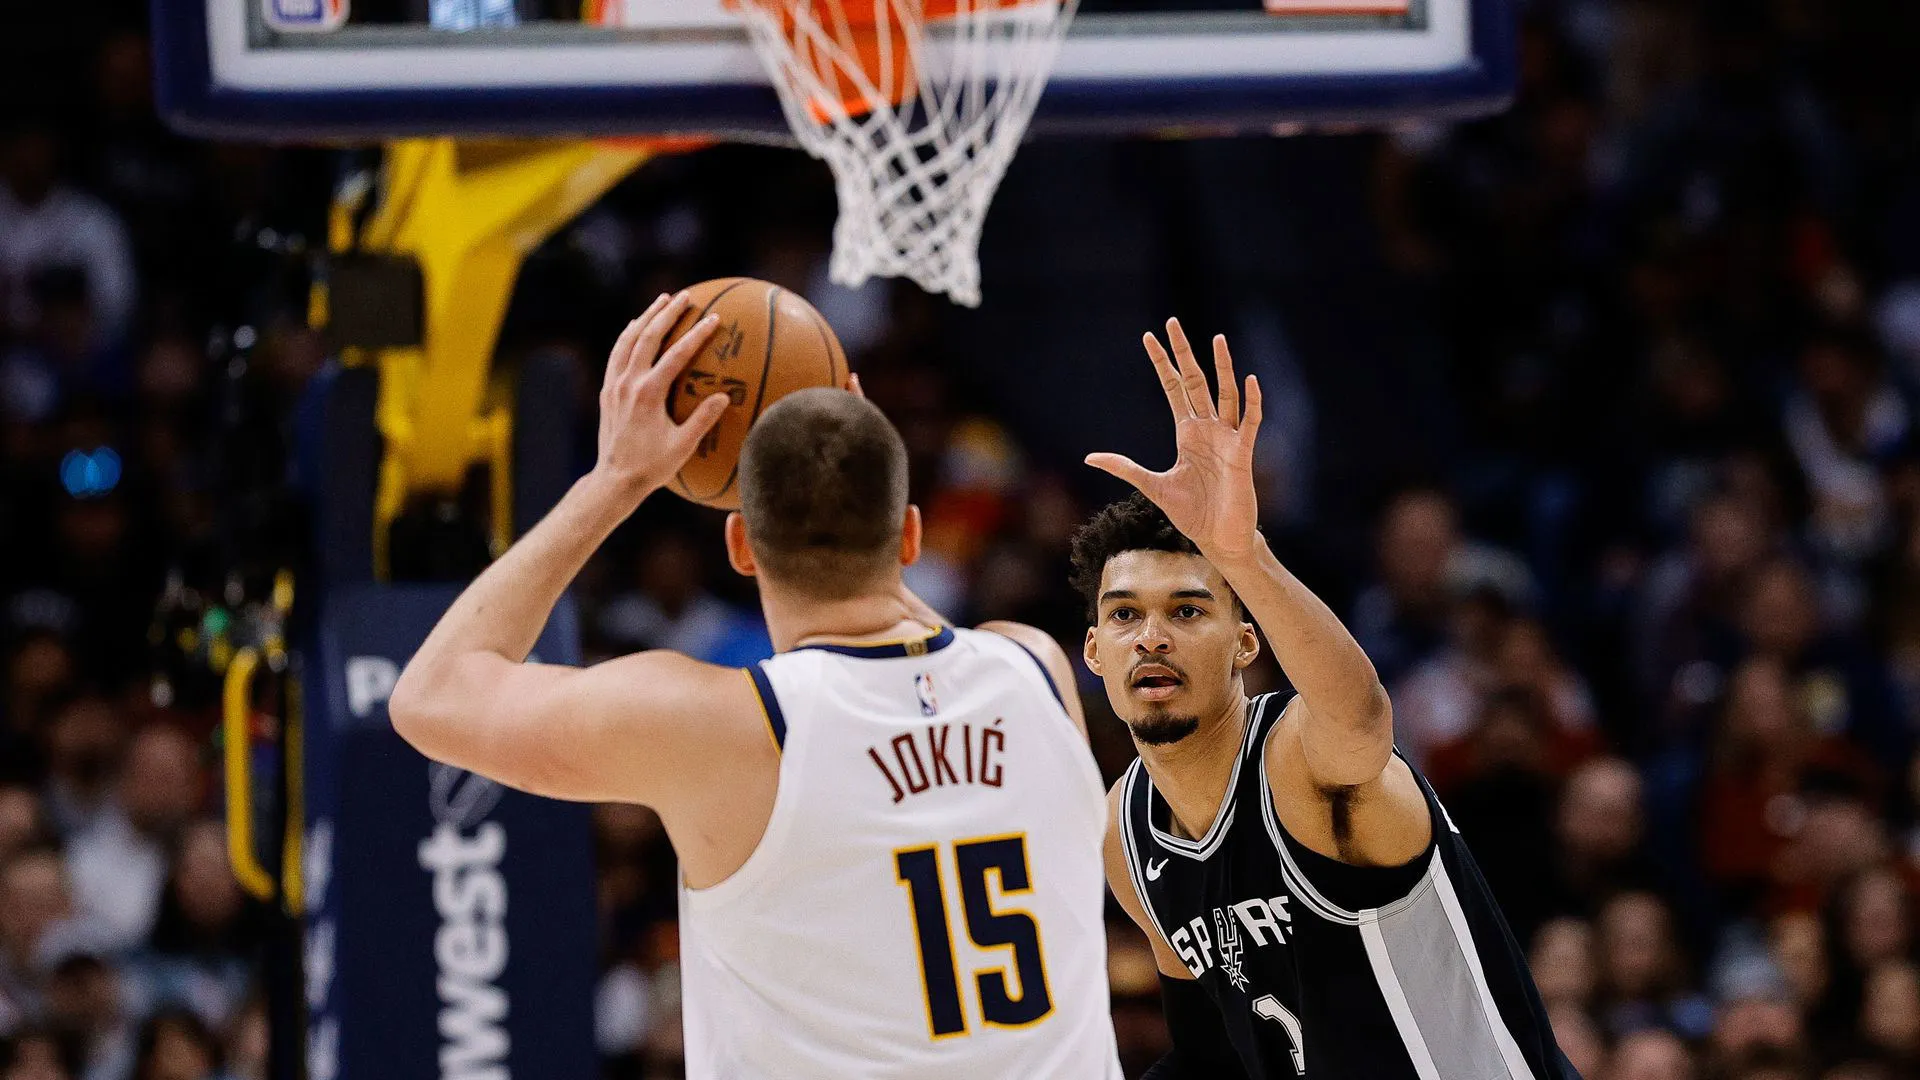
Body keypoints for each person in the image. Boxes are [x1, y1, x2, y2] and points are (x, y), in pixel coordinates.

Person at [389, 292, 1121, 1078]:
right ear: (910, 533)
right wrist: (843, 446)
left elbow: (431, 696)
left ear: (740, 546)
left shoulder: (726, 730)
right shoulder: (1034, 668)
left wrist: (617, 479)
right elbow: (902, 632)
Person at [1077, 319, 1579, 1078]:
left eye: (1186, 611)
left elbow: (1361, 711)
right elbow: (1212, 1057)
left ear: (1245, 644)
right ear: (1094, 654)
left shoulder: (1301, 758)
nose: (1151, 637)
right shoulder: (1127, 832)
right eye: (1124, 615)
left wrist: (1243, 555)